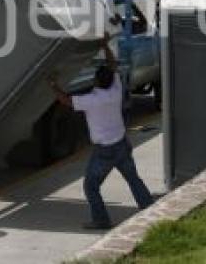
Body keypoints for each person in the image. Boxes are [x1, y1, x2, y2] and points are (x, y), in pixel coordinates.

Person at [47, 35, 154, 230]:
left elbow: (66, 101)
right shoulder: (115, 90)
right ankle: (149, 208)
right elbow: (113, 67)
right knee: (133, 178)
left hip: (104, 151)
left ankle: (102, 220)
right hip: (121, 145)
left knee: (91, 186)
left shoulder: (91, 100)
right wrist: (105, 45)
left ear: (96, 81)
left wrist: (52, 84)